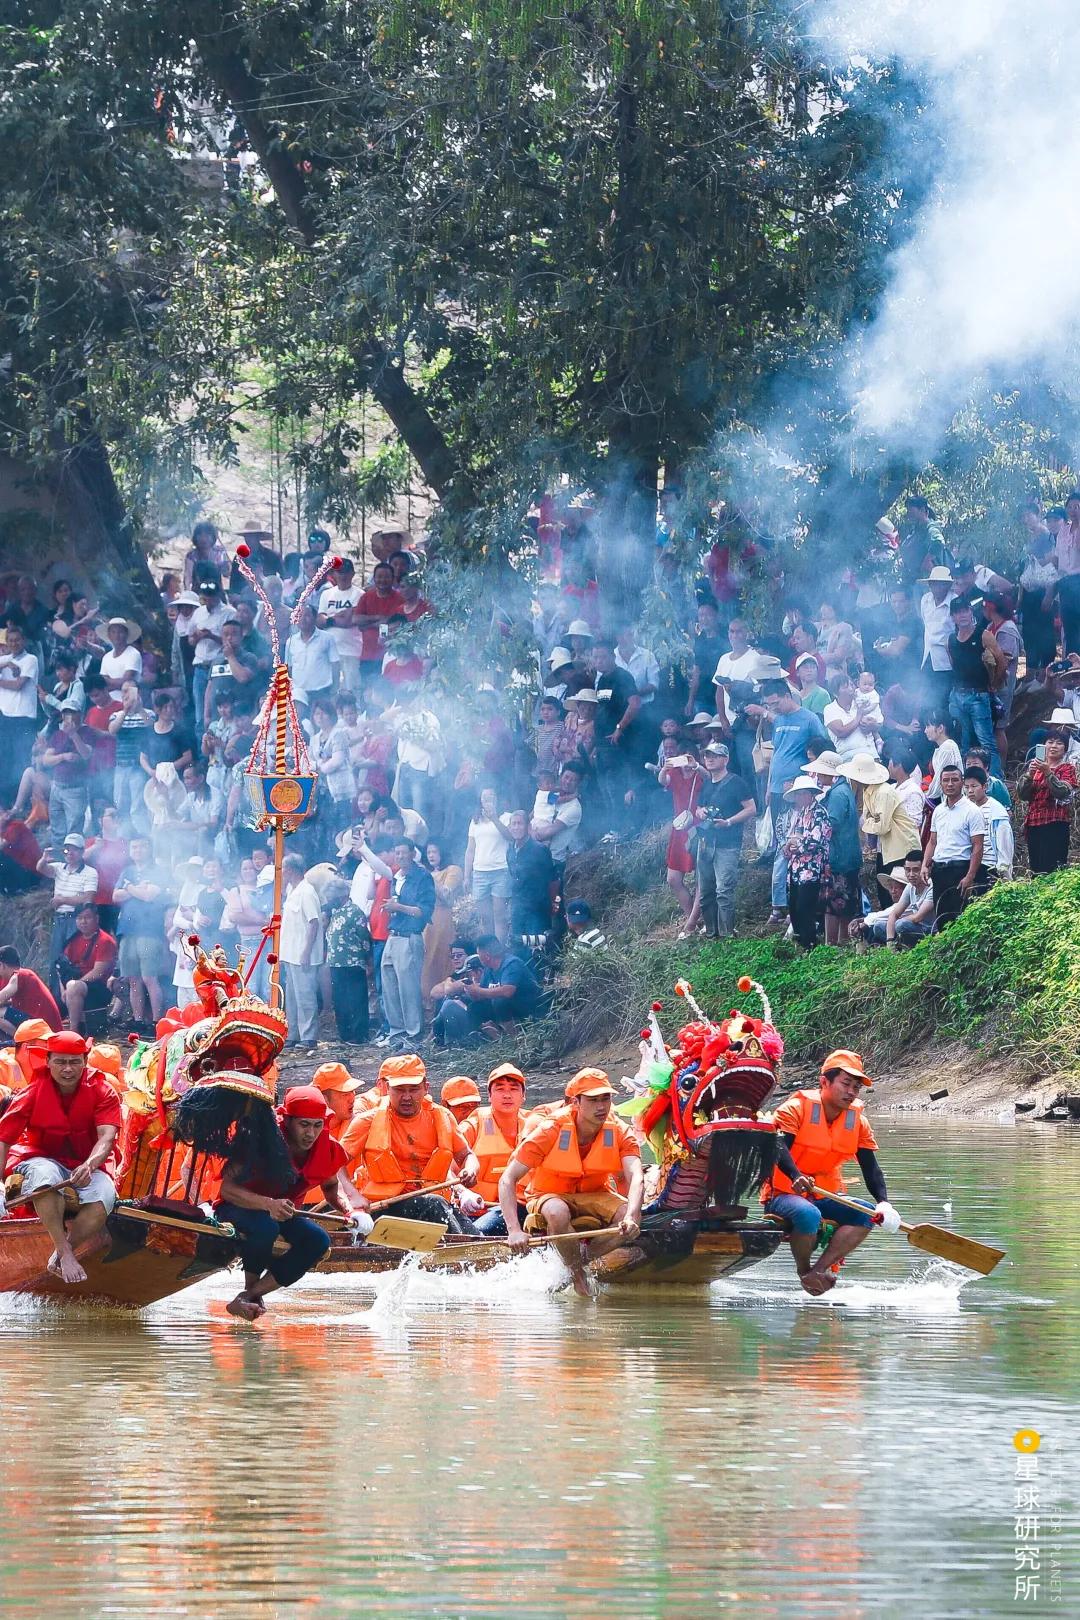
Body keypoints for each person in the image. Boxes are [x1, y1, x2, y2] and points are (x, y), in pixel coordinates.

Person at [216, 1084, 368, 1321]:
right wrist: (268, 1204)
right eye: (304, 1124)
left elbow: (330, 1189)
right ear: (287, 1121)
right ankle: (251, 1292)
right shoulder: (259, 1138)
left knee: (318, 1241)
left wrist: (350, 1212)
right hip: (239, 1208)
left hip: (284, 1213)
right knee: (266, 1226)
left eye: (317, 1125)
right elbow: (227, 1189)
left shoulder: (328, 1149)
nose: (310, 1133)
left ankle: (249, 1295)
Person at [498, 1068, 644, 1296]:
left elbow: (636, 1175)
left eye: (606, 1099)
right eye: (593, 1100)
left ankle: (580, 1257)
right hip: (548, 1194)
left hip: (596, 1193)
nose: (601, 1107)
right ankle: (577, 1273)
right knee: (557, 1212)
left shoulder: (619, 1129)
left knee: (628, 1216)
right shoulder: (551, 1128)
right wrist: (514, 1231)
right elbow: (507, 1179)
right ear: (576, 1102)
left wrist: (632, 1215)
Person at [764, 1051, 899, 1295]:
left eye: (856, 1088)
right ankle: (804, 1272)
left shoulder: (858, 1121)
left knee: (866, 1214)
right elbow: (777, 1146)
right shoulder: (795, 1108)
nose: (851, 1092)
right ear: (824, 1082)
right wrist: (796, 1176)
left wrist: (884, 1203)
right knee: (808, 1214)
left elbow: (870, 1166)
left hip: (826, 1193)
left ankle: (818, 1270)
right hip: (783, 1192)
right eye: (845, 1084)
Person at [0, 1030, 122, 1285]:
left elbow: (107, 1138)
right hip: (41, 1158)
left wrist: (90, 1164)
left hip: (89, 1163)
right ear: (48, 1061)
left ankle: (61, 1252)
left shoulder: (104, 1091)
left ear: (85, 1062)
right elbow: (4, 1139)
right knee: (45, 1176)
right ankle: (66, 1253)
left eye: (75, 1061)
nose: (68, 1068)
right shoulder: (32, 1092)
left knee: (105, 1195)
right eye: (61, 1061)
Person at [341, 1054, 481, 1231]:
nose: (406, 1097)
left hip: (437, 1205)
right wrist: (352, 1195)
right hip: (386, 1208)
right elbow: (334, 1165)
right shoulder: (367, 1121)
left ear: (426, 1088)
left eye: (413, 1089)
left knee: (475, 1235)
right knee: (434, 1205)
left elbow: (467, 1155)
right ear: (387, 1089)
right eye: (399, 1090)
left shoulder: (443, 1117)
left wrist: (470, 1170)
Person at [690, 741, 755, 940]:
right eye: (707, 755)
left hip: (728, 843)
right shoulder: (707, 782)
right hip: (706, 841)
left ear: (725, 759)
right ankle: (711, 933)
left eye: (715, 756)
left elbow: (751, 809)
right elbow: (699, 807)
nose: (709, 758)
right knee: (706, 890)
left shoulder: (736, 782)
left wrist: (728, 822)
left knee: (724, 889)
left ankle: (727, 935)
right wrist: (700, 812)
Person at [460, 1063, 533, 1235]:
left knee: (478, 1232)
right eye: (500, 1089)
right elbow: (446, 1167)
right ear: (489, 1095)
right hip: (474, 1208)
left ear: (524, 1095)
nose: (507, 1095)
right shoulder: (474, 1125)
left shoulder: (537, 1124)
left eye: (514, 1089)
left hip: (519, 1208)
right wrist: (463, 1193)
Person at [434, 935, 541, 1045]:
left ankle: (516, 1039)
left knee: (500, 1002)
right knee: (475, 1008)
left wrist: (479, 991)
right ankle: (498, 1040)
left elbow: (508, 991)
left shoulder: (511, 964)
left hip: (526, 1006)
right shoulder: (489, 970)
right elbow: (481, 994)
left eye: (479, 953)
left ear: (487, 955)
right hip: (504, 1007)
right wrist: (472, 991)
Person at [380, 837, 436, 1051]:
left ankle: (413, 1034)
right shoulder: (397, 876)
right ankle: (397, 1033)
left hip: (410, 936)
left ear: (413, 854)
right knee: (390, 987)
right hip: (392, 935)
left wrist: (398, 907)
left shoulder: (422, 877)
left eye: (403, 853)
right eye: (397, 853)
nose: (400, 856)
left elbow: (423, 911)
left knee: (408, 988)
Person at [113, 835, 170, 1029]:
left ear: (150, 849)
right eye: (134, 847)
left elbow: (148, 896)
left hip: (149, 931)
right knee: (133, 978)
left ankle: (156, 1022)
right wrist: (135, 888)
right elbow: (115, 896)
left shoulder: (158, 871)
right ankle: (138, 1021)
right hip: (128, 930)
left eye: (142, 847)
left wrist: (128, 887)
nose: (138, 850)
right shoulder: (127, 871)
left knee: (149, 977)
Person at [805, 754, 862, 945]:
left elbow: (832, 823)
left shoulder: (838, 794)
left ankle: (834, 944)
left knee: (836, 903)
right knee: (842, 902)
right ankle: (840, 943)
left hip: (840, 857)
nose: (818, 776)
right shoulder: (842, 789)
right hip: (846, 855)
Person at [920, 764, 985, 928]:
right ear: (940, 783)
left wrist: (970, 876)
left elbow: (978, 846)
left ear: (962, 782)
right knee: (942, 920)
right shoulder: (938, 811)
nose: (950, 784)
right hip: (939, 871)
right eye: (946, 780)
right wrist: (924, 865)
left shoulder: (972, 810)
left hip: (960, 870)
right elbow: (932, 841)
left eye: (954, 780)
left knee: (960, 920)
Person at [946, 596, 1004, 777]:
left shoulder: (983, 635)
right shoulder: (951, 640)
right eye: (957, 612)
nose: (962, 615)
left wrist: (994, 685)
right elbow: (953, 664)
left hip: (978, 695)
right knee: (964, 741)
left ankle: (996, 781)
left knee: (986, 742)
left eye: (965, 610)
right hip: (958, 695)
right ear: (953, 616)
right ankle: (967, 781)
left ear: (971, 611)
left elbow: (1001, 662)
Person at [279, 853, 325, 1051]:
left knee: (305, 996)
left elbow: (313, 922)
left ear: (291, 869)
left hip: (302, 953)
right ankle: (293, 1034)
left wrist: (306, 951)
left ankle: (309, 1036)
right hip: (290, 953)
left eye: (284, 868)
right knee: (292, 997)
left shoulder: (306, 892)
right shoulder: (292, 890)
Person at [37, 832, 100, 972]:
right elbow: (40, 868)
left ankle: (74, 990)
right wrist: (43, 859)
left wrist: (63, 900)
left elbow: (88, 898)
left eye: (74, 849)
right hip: (59, 919)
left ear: (82, 851)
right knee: (55, 959)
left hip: (77, 920)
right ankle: (56, 993)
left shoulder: (90, 872)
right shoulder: (59, 867)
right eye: (67, 849)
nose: (70, 853)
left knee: (75, 959)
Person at [782, 774, 831, 949]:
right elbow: (791, 838)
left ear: (810, 794)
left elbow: (815, 841)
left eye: (802, 793)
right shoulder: (800, 813)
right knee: (794, 907)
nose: (799, 797)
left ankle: (809, 945)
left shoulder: (819, 813)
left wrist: (797, 844)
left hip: (811, 869)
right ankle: (800, 943)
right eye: (797, 794)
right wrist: (789, 846)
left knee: (805, 908)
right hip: (796, 869)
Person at [1018, 729, 1077, 874]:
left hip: (1055, 823)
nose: (1054, 746)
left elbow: (1062, 792)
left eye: (1059, 743)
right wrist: (1029, 775)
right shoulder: (1035, 769)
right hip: (1034, 823)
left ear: (1065, 749)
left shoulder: (1067, 768)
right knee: (1037, 868)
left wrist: (1048, 772)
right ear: (1044, 746)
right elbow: (1023, 795)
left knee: (1054, 867)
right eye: (1050, 742)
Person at [851, 853, 934, 949]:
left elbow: (917, 917)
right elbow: (894, 914)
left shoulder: (931, 886)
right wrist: (890, 942)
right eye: (908, 870)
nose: (911, 874)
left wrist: (897, 922)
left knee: (900, 924)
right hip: (909, 928)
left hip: (929, 930)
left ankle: (909, 949)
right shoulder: (910, 887)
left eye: (916, 870)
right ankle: (896, 949)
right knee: (879, 926)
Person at [58, 904, 118, 1033]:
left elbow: (98, 972)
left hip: (99, 988)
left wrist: (72, 987)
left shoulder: (105, 941)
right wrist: (64, 989)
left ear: (96, 919)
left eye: (87, 918)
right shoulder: (73, 940)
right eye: (79, 918)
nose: (83, 922)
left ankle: (74, 1031)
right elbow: (61, 968)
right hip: (74, 985)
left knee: (74, 987)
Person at [0, 624, 41, 807]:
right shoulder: (6, 658)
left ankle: (21, 804)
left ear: (23, 641)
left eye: (17, 640)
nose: (14, 643)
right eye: (10, 640)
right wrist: (7, 663)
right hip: (5, 717)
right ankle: (5, 803)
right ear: (6, 643)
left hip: (24, 718)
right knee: (5, 760)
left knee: (21, 760)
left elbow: (19, 685)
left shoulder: (30, 659)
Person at [464, 787, 512, 942]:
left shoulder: (505, 817)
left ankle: (500, 949)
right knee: (485, 917)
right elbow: (470, 850)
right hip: (479, 872)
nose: (488, 800)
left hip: (500, 870)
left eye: (491, 797)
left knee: (499, 914)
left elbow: (509, 836)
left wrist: (494, 818)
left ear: (497, 799)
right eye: (484, 798)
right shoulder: (475, 821)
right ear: (480, 801)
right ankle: (488, 949)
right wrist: (466, 875)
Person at [963, 766, 1013, 883]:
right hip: (966, 866)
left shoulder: (996, 811)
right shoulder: (963, 809)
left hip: (988, 867)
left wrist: (1004, 873)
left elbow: (1004, 845)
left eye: (974, 786)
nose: (970, 791)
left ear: (984, 786)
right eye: (966, 787)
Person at [0, 948, 62, 1039]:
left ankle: (21, 1041)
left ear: (1, 965)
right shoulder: (24, 974)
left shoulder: (19, 975)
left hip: (45, 1030)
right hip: (43, 1028)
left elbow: (1, 998)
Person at [917, 566, 956, 707]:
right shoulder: (925, 600)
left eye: (941, 584)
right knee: (927, 699)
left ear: (948, 585)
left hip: (946, 661)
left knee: (943, 701)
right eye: (933, 584)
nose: (937, 587)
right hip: (928, 657)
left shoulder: (955, 602)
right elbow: (925, 623)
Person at [311, 1062, 365, 1141]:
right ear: (324, 1100)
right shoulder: (304, 1135)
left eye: (352, 1091)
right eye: (345, 1094)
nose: (352, 1099)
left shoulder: (360, 1126)